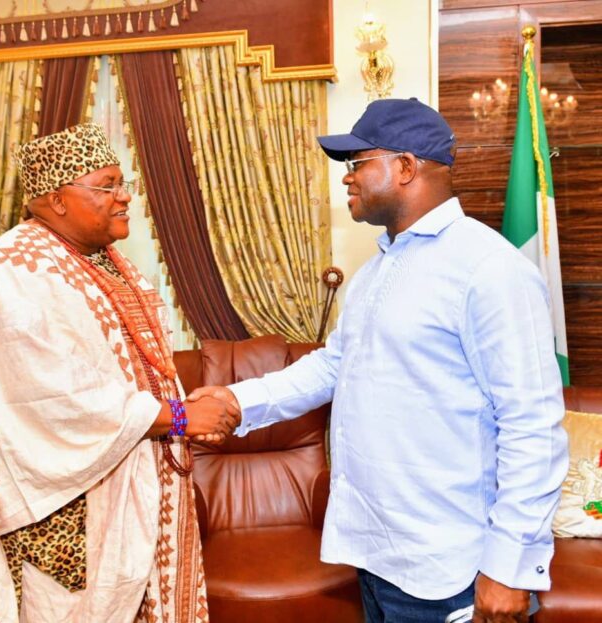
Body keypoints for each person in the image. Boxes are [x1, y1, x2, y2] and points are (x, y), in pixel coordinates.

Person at [189, 98, 568, 623]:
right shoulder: (376, 271)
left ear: (407, 167)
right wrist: (237, 398)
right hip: (377, 557)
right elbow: (332, 366)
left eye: (358, 163)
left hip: (450, 572)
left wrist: (509, 568)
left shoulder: (488, 269)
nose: (347, 179)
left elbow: (533, 427)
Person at [0, 123, 238, 622]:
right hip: (59, 512)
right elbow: (54, 399)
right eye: (106, 185)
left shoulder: (107, 260)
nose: (123, 197)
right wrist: (180, 418)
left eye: (122, 182)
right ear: (57, 198)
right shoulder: (14, 270)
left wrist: (187, 400)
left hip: (128, 481)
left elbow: (131, 364)